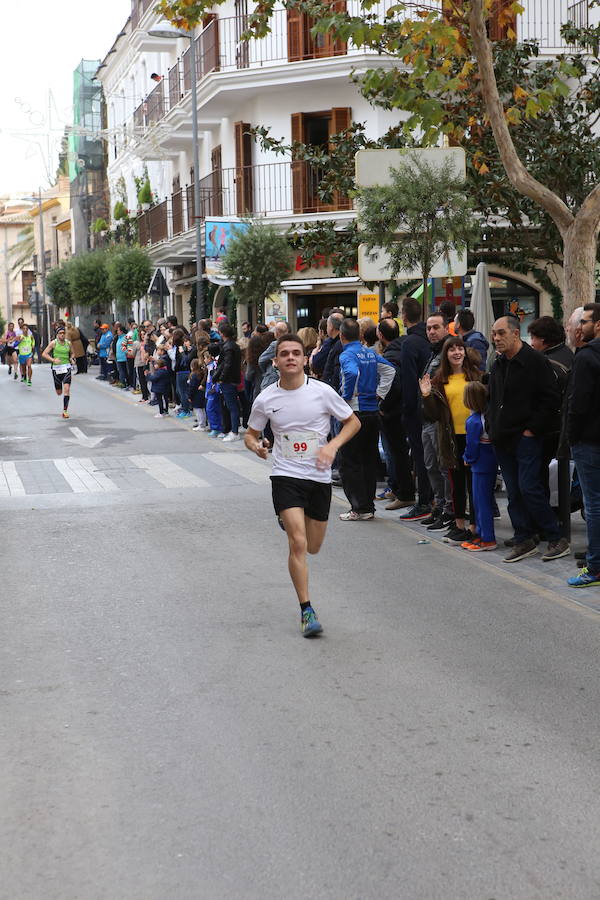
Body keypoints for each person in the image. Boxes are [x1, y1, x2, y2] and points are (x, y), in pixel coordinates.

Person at [245, 333, 360, 637]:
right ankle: (306, 610)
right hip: (285, 476)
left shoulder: (322, 392)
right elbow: (250, 434)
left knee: (313, 546)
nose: (291, 358)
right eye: (285, 354)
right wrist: (257, 446)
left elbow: (353, 422)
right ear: (277, 361)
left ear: (305, 359)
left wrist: (332, 446)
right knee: (297, 543)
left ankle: (292, 521)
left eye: (297, 353)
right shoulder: (266, 397)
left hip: (318, 478)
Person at [487, 315, 569, 563]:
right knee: (513, 492)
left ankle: (556, 536)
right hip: (503, 438)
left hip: (526, 438)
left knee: (529, 487)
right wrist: (492, 428)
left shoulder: (535, 361)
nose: (496, 338)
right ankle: (524, 537)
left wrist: (531, 430)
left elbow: (550, 400)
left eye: (501, 333)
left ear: (515, 333)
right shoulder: (498, 363)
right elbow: (493, 398)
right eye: (494, 333)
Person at [419, 336, 481, 544]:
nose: (457, 352)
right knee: (456, 483)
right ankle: (459, 524)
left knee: (474, 483)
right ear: (446, 355)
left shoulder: (476, 375)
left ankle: (474, 527)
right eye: (452, 349)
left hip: (475, 436)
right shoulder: (439, 380)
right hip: (451, 437)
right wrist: (427, 396)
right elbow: (435, 414)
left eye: (460, 349)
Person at [337, 318, 395, 521]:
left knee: (349, 462)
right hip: (372, 412)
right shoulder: (370, 353)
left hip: (354, 413)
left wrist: (345, 398)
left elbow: (352, 372)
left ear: (341, 336)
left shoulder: (347, 354)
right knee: (368, 460)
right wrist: (379, 393)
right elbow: (390, 370)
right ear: (360, 335)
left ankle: (358, 508)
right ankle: (367, 506)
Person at [567, 303, 600, 588]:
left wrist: (571, 437)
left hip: (589, 440)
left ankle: (595, 567)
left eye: (585, 321)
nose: (580, 326)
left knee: (594, 505)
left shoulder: (586, 357)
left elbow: (577, 404)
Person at [376, 317, 415, 510]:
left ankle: (404, 492)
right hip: (406, 408)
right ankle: (400, 489)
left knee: (397, 453)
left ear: (380, 335)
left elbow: (393, 384)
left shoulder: (390, 356)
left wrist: (383, 406)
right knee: (402, 453)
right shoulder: (404, 348)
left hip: (394, 412)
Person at [461, 381, 498, 551]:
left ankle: (487, 538)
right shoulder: (487, 416)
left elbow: (472, 444)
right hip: (489, 461)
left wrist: (467, 457)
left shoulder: (473, 421)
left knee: (480, 502)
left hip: (480, 464)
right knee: (483, 501)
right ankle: (482, 535)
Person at [214, 322, 242, 441]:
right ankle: (233, 430)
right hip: (232, 379)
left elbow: (227, 365)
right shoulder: (232, 345)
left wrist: (221, 378)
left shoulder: (228, 347)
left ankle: (234, 432)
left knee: (232, 406)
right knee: (231, 406)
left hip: (228, 380)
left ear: (222, 333)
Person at [42, 326, 77, 418]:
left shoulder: (68, 343)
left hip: (66, 368)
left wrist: (71, 358)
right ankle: (59, 389)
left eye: (63, 333)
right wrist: (53, 360)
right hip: (56, 369)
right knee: (59, 392)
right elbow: (44, 354)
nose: (62, 335)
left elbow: (73, 353)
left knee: (67, 389)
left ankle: (65, 411)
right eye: (60, 333)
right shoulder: (53, 343)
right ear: (57, 335)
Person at [205, 343, 223, 437]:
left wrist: (214, 387)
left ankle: (216, 427)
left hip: (214, 388)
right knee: (214, 408)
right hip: (211, 388)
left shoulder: (215, 363)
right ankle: (216, 427)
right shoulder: (211, 365)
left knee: (211, 408)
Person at [189, 357, 209, 430]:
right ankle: (203, 423)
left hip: (196, 396)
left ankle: (201, 425)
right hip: (202, 394)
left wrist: (189, 396)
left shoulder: (194, 375)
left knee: (198, 410)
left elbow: (192, 387)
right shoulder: (202, 373)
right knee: (203, 410)